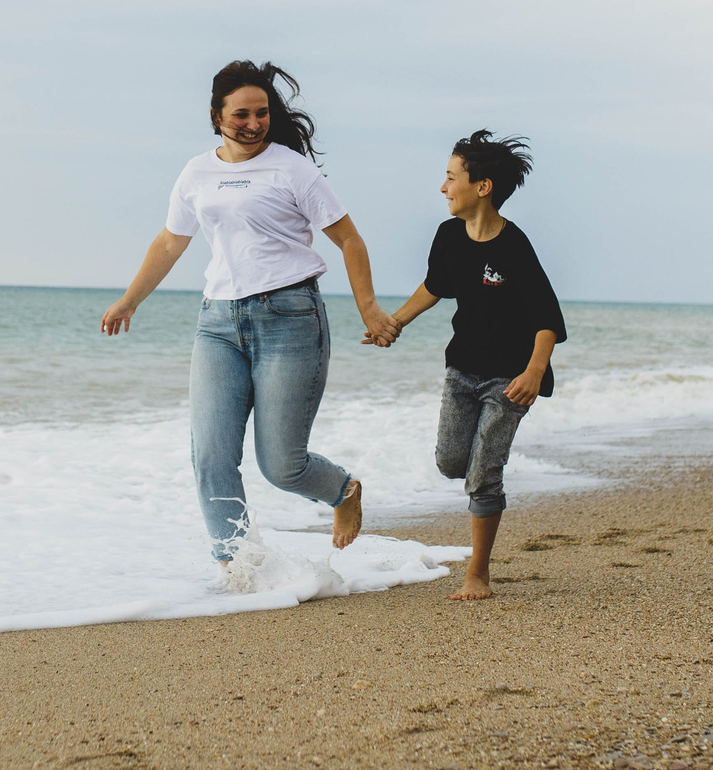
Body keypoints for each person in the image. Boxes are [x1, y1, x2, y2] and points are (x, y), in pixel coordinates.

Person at [100, 62, 398, 565]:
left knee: (282, 466)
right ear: (217, 115)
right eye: (242, 114)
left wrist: (368, 308)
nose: (254, 123)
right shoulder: (197, 172)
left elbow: (348, 238)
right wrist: (130, 299)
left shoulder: (291, 168)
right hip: (217, 323)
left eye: (262, 113)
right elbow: (171, 241)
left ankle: (343, 491)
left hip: (290, 317)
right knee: (211, 457)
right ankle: (236, 566)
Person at [371, 131, 566, 602]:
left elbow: (547, 319)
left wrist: (535, 373)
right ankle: (483, 469)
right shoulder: (448, 236)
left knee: (482, 476)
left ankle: (478, 575)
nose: (443, 187)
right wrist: (394, 321)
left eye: (451, 177)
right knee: (450, 463)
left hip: (511, 378)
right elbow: (435, 285)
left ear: (483, 187)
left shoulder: (515, 246)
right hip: (461, 370)